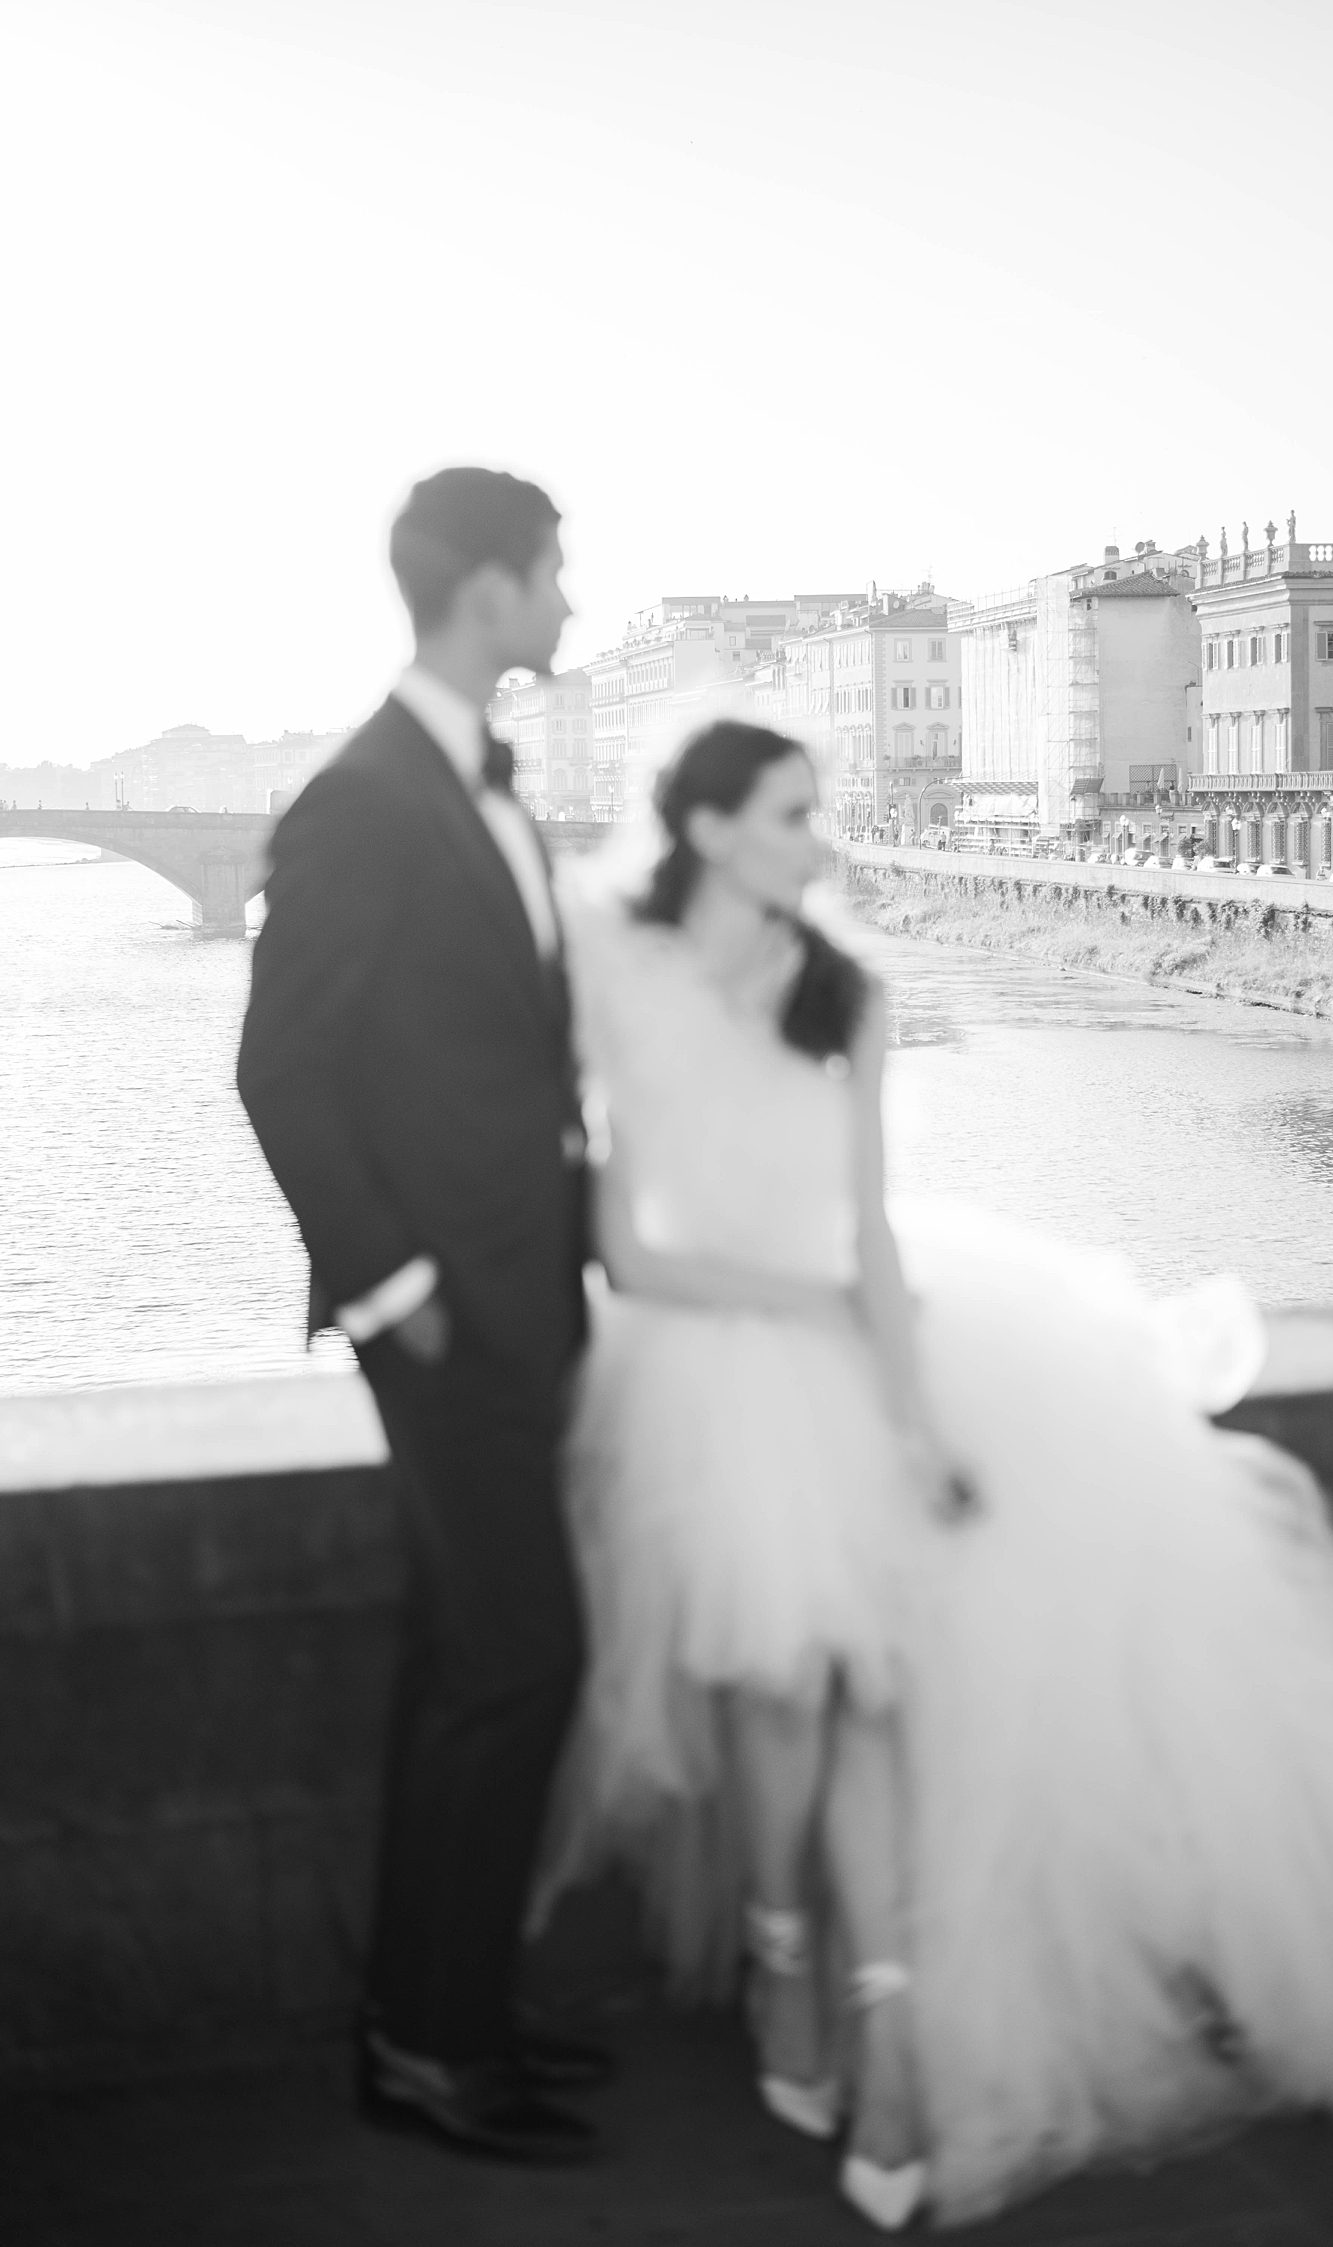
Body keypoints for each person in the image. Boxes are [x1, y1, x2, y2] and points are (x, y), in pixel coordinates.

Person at [545, 717, 1333, 2231]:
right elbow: (628, 1250)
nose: (822, 838)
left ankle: (884, 2027)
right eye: (793, 812)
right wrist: (827, 1318)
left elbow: (869, 1231)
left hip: (866, 1343)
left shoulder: (849, 988)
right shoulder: (614, 969)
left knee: (867, 1686)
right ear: (713, 829)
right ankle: (789, 1965)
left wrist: (914, 1423)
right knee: (777, 1684)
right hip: (708, 1360)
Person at [237, 467, 607, 2165]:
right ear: (486, 592)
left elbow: (517, 1074)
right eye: (555, 574)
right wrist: (405, 1294)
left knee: (475, 1665)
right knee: (524, 1658)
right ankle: (433, 2044)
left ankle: (436, 2020)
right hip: (449, 1319)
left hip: (524, 1303)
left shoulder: (479, 791)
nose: (571, 604)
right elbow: (283, 1074)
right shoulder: (365, 800)